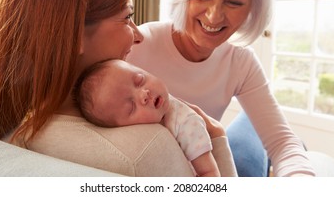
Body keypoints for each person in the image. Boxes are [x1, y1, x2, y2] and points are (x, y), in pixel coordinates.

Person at [0, 0, 237, 176]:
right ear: (73, 37)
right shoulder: (145, 150)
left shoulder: (11, 131)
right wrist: (219, 140)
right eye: (126, 17)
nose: (139, 34)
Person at [127, 0, 316, 177]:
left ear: (252, 9)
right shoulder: (138, 44)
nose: (214, 16)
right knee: (245, 154)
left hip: (211, 152)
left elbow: (283, 143)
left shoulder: (241, 61)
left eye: (234, 3)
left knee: (261, 133)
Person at [73, 59, 223, 177]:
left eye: (140, 80)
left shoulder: (185, 121)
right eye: (131, 106)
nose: (144, 94)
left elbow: (210, 173)